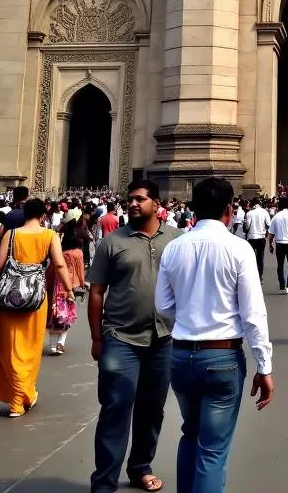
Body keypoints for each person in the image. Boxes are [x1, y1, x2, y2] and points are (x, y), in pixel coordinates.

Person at [155, 177, 274, 493]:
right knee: (213, 450)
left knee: (190, 434)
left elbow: (163, 307)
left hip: (180, 356)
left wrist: (188, 319)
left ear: (193, 208)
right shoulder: (239, 249)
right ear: (230, 209)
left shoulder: (174, 248)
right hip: (222, 358)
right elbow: (252, 315)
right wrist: (264, 366)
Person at [87, 180, 175, 493]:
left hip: (163, 339)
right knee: (115, 408)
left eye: (140, 199)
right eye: (130, 199)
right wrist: (97, 338)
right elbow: (96, 291)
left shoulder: (176, 240)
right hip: (120, 337)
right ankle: (104, 482)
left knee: (153, 409)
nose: (133, 204)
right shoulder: (112, 242)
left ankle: (140, 467)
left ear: (157, 203)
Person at [0, 198, 71, 417]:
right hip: (35, 297)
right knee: (29, 349)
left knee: (9, 348)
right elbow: (59, 264)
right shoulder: (49, 235)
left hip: (9, 298)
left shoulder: (10, 235)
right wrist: (69, 288)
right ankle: (20, 398)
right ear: (43, 215)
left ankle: (18, 397)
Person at [47, 212, 87, 355]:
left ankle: (52, 345)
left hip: (57, 286)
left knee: (55, 314)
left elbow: (52, 269)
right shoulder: (78, 253)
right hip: (70, 286)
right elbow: (80, 270)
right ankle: (60, 344)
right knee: (67, 315)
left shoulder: (61, 254)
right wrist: (82, 283)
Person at [267, 197, 288, 294]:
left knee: (280, 265)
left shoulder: (276, 217)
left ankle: (282, 285)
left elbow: (271, 234)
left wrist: (270, 245)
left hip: (279, 243)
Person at [244, 199, 270, 279]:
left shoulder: (249, 213)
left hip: (251, 237)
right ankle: (260, 276)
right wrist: (266, 233)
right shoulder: (264, 212)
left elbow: (247, 226)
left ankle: (251, 274)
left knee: (251, 257)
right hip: (261, 237)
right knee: (260, 257)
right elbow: (268, 224)